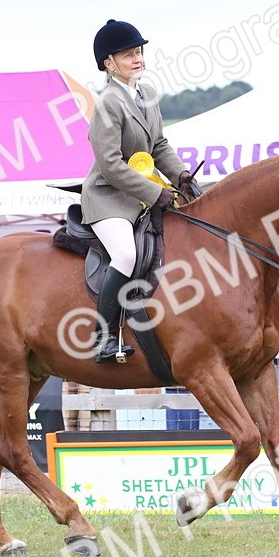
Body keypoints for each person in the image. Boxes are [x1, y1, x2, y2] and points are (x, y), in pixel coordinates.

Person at [82, 19, 191, 364]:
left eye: (139, 51)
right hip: (108, 196)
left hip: (140, 193)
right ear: (108, 63)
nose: (137, 58)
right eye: (128, 54)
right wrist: (153, 192)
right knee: (126, 255)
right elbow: (111, 165)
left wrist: (182, 176)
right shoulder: (108, 104)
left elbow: (159, 144)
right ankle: (104, 336)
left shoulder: (146, 95)